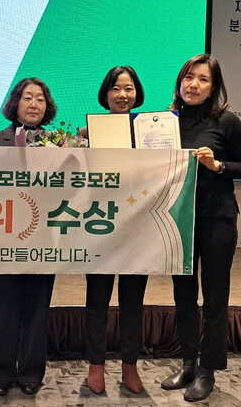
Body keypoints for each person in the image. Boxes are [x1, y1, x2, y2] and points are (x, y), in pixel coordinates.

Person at [160, 54, 241, 402]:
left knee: (214, 298)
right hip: (177, 220)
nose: (193, 85)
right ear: (180, 82)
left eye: (202, 79)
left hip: (217, 220)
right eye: (188, 77)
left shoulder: (226, 121)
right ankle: (187, 363)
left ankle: (207, 371)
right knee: (183, 296)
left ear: (213, 87)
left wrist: (217, 166)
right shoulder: (166, 122)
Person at [0, 77, 56, 396]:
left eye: (40, 98)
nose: (34, 104)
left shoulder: (56, 142)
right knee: (3, 304)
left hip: (43, 235)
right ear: (15, 102)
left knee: (37, 306)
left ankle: (31, 371)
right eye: (27, 97)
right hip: (2, 235)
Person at [83, 66, 148, 394]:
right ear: (105, 94)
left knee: (133, 301)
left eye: (129, 88)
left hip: (139, 225)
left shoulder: (151, 131)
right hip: (100, 224)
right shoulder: (89, 131)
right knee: (97, 299)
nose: (123, 95)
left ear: (137, 93)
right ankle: (96, 365)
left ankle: (129, 365)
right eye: (116, 88)